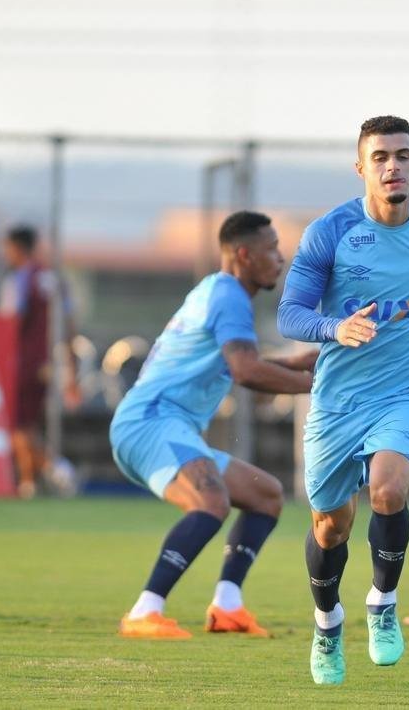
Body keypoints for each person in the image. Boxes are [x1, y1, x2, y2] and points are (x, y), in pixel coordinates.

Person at [278, 115, 409, 685]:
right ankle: (326, 623)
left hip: (403, 394)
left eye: (402, 155)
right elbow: (290, 313)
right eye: (380, 157)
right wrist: (334, 328)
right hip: (337, 403)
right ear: (361, 168)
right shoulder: (331, 231)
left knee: (388, 490)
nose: (392, 166)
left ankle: (383, 603)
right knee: (331, 528)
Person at [110, 211, 316, 640]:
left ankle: (227, 605)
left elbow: (242, 365)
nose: (281, 258)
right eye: (272, 249)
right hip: (151, 422)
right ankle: (144, 610)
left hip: (167, 425)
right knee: (211, 502)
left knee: (266, 495)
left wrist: (295, 365)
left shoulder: (217, 292)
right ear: (244, 255)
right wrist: (314, 385)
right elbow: (246, 372)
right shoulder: (229, 298)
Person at [0, 225, 81, 499]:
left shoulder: (20, 280)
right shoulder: (55, 279)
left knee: (17, 423)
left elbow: (12, 321)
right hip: (48, 362)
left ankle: (51, 469)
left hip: (23, 361)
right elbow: (69, 323)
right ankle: (29, 483)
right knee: (28, 425)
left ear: (18, 248)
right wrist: (70, 366)